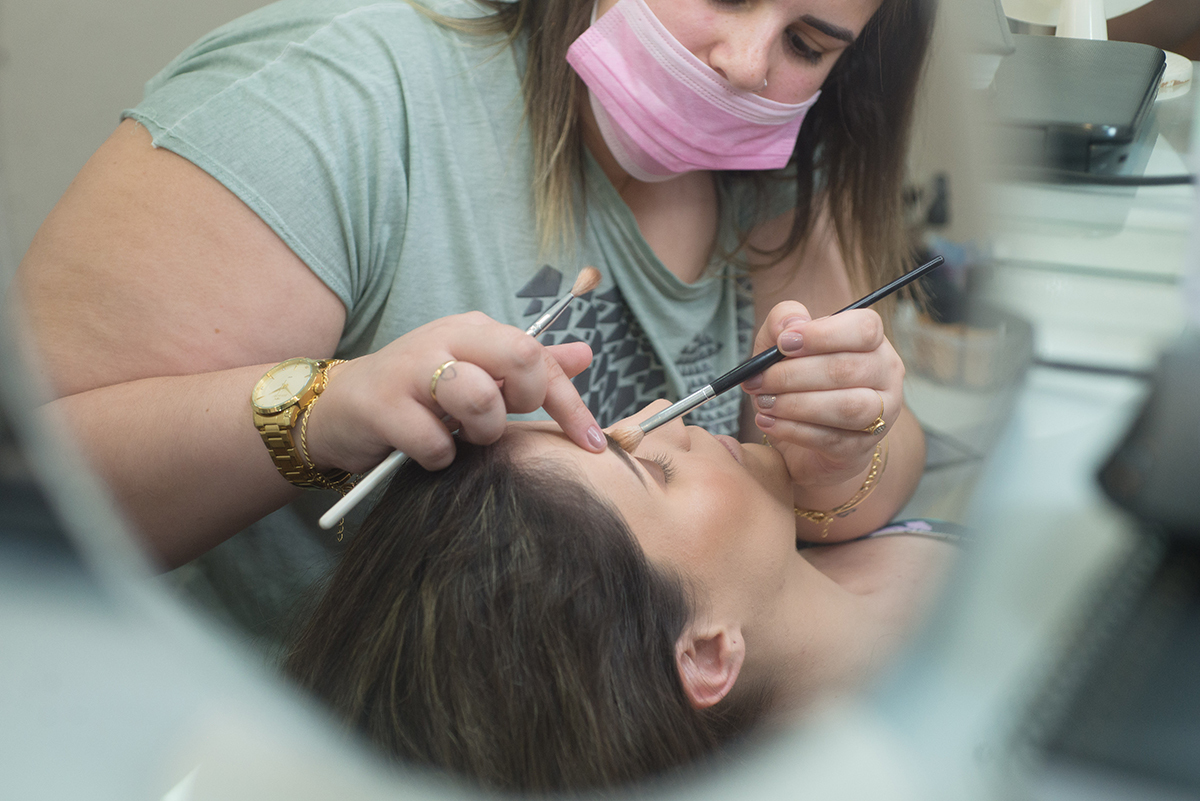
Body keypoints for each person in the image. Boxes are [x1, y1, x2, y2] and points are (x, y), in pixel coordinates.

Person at [15, 0, 935, 649]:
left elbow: (878, 464)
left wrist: (845, 450)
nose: (744, 62)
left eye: (806, 43)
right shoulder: (341, 95)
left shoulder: (783, 175)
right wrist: (322, 412)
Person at [285, 401, 958, 793]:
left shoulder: (830, 537)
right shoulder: (927, 760)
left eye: (606, 424)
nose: (664, 417)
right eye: (658, 471)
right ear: (704, 655)